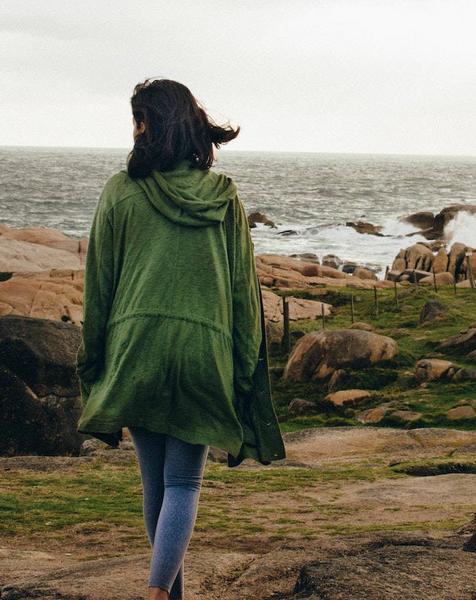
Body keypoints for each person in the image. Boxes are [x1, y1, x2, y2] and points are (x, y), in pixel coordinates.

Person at [75, 78, 286, 600]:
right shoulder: (224, 196)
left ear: (149, 125)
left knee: (156, 485)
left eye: (138, 119)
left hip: (136, 348)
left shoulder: (119, 192)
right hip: (202, 352)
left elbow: (98, 284)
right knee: (183, 485)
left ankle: (158, 592)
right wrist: (243, 365)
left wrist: (93, 361)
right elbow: (244, 290)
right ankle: (162, 594)